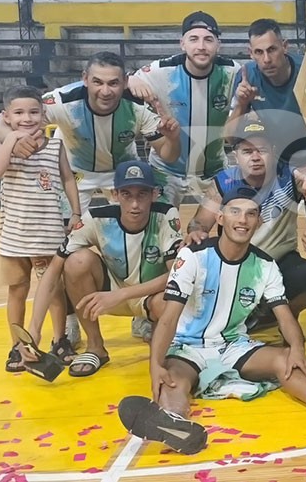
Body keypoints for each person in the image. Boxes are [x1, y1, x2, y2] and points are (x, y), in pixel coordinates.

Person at [117, 187, 306, 455]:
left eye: (250, 214)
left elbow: (284, 316)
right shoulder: (193, 256)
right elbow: (169, 318)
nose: (242, 220)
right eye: (235, 212)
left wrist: (297, 350)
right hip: (189, 346)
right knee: (173, 379)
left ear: (258, 221)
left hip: (234, 344)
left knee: (285, 359)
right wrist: (155, 365)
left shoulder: (265, 265)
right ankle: (174, 422)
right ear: (221, 219)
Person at [20, 160, 184, 377]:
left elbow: (176, 275)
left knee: (170, 300)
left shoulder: (166, 215)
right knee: (76, 261)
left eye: (142, 194)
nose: (135, 204)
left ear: (154, 194)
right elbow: (53, 271)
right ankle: (95, 347)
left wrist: (122, 294)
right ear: (115, 194)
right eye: (127, 194)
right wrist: (34, 329)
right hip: (110, 292)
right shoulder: (96, 219)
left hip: (150, 296)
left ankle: (165, 340)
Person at [0, 51, 181, 212]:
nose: (105, 91)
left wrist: (172, 140)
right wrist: (13, 139)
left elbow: (168, 155)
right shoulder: (63, 100)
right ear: (85, 79)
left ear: (124, 82)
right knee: (63, 232)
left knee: (142, 221)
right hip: (73, 173)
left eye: (113, 83)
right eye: (98, 82)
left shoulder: (138, 107)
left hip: (122, 172)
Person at [186, 120, 306, 318]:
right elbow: (199, 223)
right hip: (235, 264)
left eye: (262, 150)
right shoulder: (223, 183)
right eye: (248, 152)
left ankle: (282, 314)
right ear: (236, 156)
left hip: (280, 262)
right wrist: (195, 231)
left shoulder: (290, 176)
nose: (256, 157)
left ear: (273, 151)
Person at [0, 86, 80, 372]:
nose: (26, 118)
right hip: (14, 237)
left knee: (54, 291)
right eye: (18, 113)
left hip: (48, 234)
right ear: (6, 117)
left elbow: (67, 179)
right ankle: (19, 344)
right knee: (17, 291)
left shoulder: (55, 146)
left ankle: (59, 339)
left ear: (43, 115)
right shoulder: (0, 145)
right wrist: (12, 139)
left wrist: (75, 212)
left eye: (33, 112)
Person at [128, 11, 240, 207]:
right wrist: (130, 78)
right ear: (183, 43)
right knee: (159, 225)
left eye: (208, 40)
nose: (201, 47)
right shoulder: (161, 71)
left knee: (232, 219)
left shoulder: (232, 71)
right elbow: (119, 81)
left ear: (218, 45)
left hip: (214, 169)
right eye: (194, 39)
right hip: (166, 171)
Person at [226, 18, 306, 199]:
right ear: (250, 53)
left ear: (284, 46)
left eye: (272, 49)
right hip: (275, 164)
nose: (267, 59)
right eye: (259, 52)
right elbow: (230, 138)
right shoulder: (247, 76)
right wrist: (241, 103)